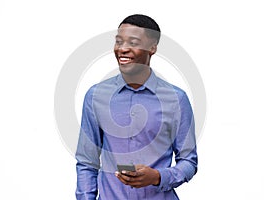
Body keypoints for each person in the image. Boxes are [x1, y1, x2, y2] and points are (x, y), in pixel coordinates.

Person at [75, 14, 198, 200]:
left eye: (133, 42)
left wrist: (158, 177)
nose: (123, 49)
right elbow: (87, 161)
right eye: (119, 42)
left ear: (152, 48)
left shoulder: (176, 100)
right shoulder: (96, 96)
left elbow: (188, 161)